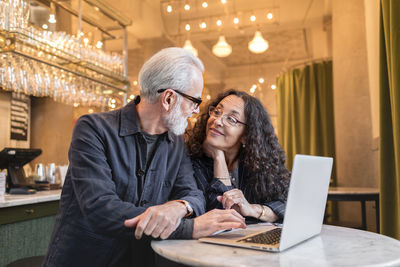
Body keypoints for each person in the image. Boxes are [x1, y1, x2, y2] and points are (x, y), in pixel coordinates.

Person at [43, 48, 245, 267]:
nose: (196, 111)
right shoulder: (93, 129)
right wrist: (192, 227)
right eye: (194, 101)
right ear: (168, 98)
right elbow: (100, 209)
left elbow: (192, 193)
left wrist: (179, 206)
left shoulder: (175, 142)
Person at [186, 89, 291, 223]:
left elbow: (289, 205)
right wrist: (219, 158)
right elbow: (222, 218)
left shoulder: (257, 164)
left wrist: (254, 209)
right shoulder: (191, 162)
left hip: (253, 241)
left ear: (247, 135)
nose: (217, 121)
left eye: (231, 119)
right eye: (217, 112)